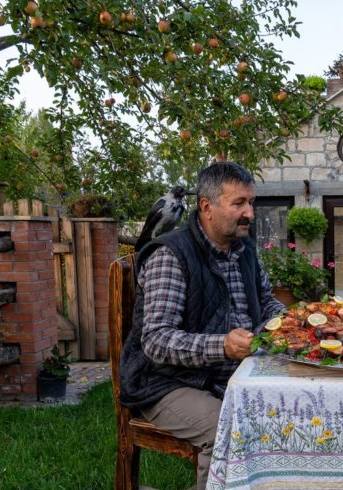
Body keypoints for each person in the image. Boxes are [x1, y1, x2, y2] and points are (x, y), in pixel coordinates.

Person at [120, 162, 285, 490]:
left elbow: (267, 301)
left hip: (230, 375)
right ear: (206, 207)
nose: (250, 213)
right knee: (225, 429)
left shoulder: (245, 250)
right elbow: (156, 340)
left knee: (286, 412)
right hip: (164, 382)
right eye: (238, 203)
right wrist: (223, 346)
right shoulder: (171, 255)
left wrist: (289, 322)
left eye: (251, 203)